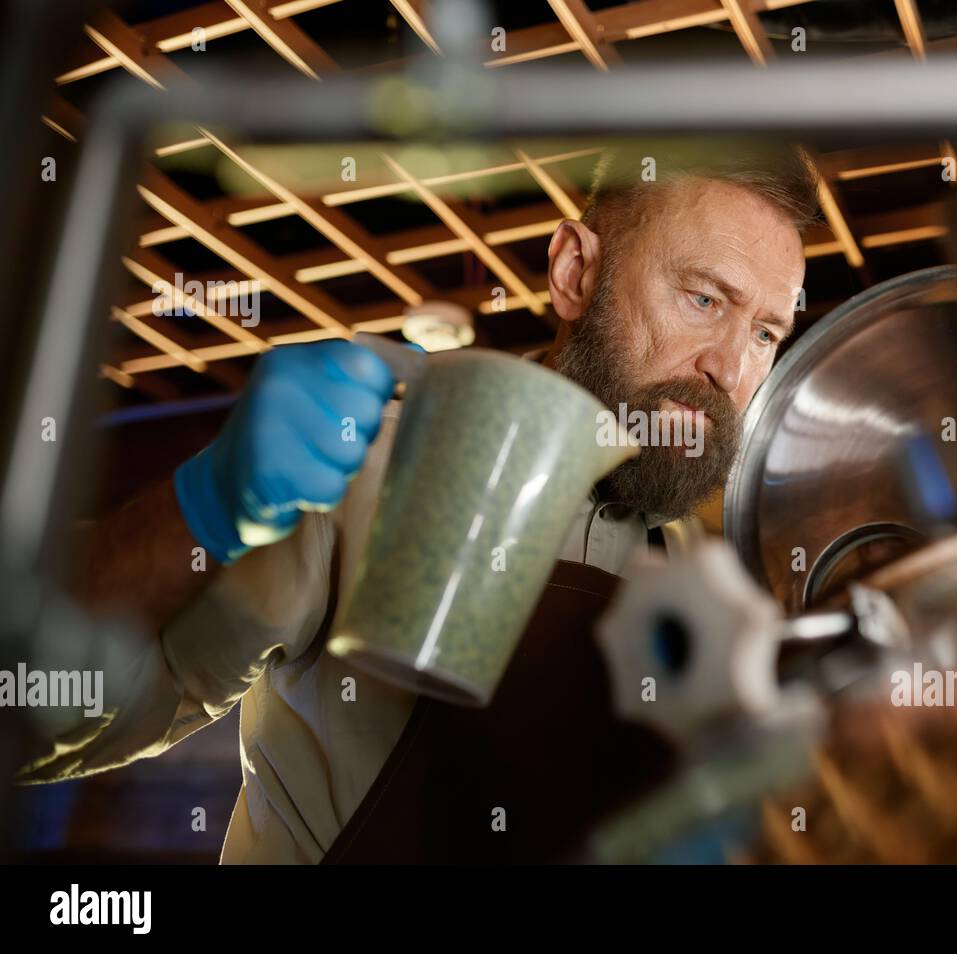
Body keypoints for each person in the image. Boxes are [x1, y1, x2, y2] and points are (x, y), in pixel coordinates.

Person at [18, 141, 820, 863]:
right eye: (705, 300)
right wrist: (201, 507)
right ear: (576, 271)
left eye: (764, 334)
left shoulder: (701, 566)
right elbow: (40, 718)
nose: (729, 370)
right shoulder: (369, 468)